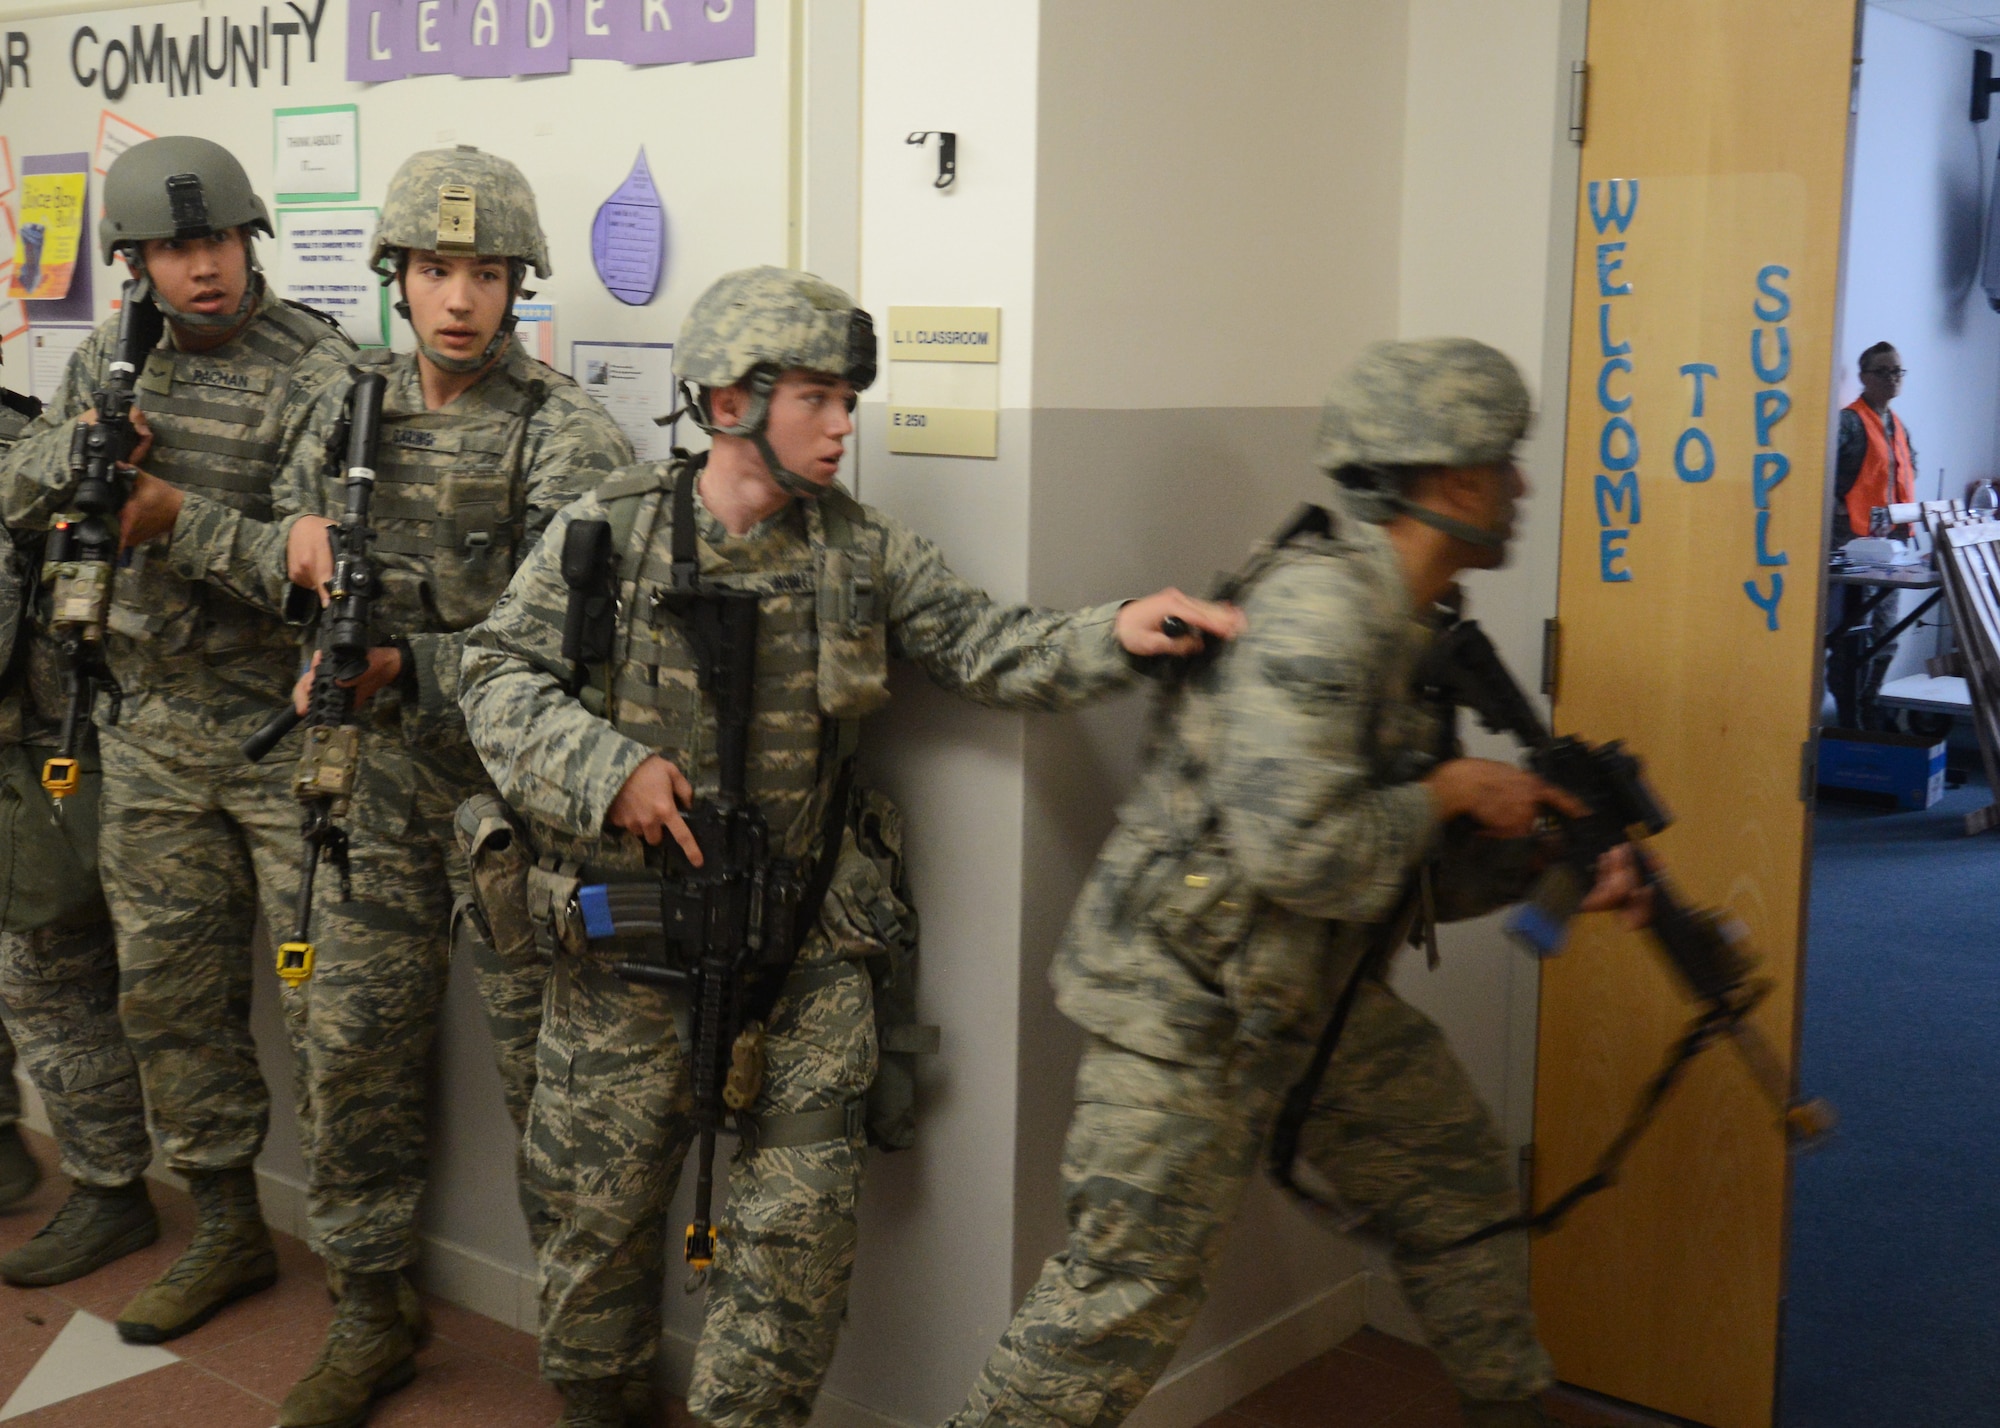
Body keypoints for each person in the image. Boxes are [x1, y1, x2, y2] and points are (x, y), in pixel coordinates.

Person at [458, 266, 1242, 1428]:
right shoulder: (608, 533)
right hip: (627, 952)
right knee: (594, 1229)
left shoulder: (857, 552)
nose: (840, 427)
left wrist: (1117, 633)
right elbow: (491, 673)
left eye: (848, 402)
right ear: (731, 402)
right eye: (815, 399)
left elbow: (985, 643)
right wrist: (607, 770)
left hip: (803, 945)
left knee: (796, 1247)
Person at [941, 339, 1653, 1428]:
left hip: (1300, 994)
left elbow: (1390, 873)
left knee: (1455, 1182)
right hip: (1188, 1011)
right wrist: (1452, 791)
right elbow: (1304, 854)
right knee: (1114, 1306)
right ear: (1452, 478)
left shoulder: (1407, 620)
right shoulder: (1325, 613)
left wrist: (1544, 856)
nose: (1520, 486)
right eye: (1503, 463)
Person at [261, 145, 633, 1428]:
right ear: (396, 278)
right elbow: (283, 537)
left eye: (484, 273)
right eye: (433, 269)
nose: (459, 298)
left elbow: (576, 649)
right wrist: (295, 556)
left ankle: (592, 1368)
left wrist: (399, 665)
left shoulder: (565, 433)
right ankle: (369, 1312)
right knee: (348, 1051)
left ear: (518, 284)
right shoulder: (343, 402)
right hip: (366, 793)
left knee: (558, 1095)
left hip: (512, 811)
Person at [0, 136, 355, 1342]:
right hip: (148, 732)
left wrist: (172, 517)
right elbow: (22, 489)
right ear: (134, 260)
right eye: (171, 248)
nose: (201, 268)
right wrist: (81, 454)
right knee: (171, 1002)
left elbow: (321, 573)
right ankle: (226, 1227)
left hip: (279, 740)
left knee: (332, 1019)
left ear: (248, 239)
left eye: (216, 241)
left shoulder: (320, 370)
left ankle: (365, 1277)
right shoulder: (112, 354)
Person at [0, 368, 158, 1285]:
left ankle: (109, 1190)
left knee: (50, 979)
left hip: (50, 755)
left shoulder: (29, 448)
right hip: (46, 749)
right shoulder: (32, 435)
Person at [1828, 342, 1917, 729]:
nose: (1893, 378)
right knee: (1851, 639)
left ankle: (1870, 707)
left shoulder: (1898, 426)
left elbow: (1907, 474)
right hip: (1851, 551)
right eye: (1883, 371)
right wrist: (1838, 508)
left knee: (1885, 635)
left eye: (1897, 371)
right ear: (1864, 377)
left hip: (1890, 552)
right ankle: (1849, 720)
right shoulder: (1848, 422)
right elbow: (1820, 471)